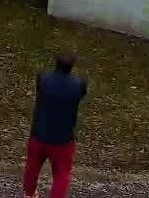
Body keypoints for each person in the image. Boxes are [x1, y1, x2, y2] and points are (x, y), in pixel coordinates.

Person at [24, 51, 87, 198]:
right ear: (72, 66)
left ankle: (29, 194)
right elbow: (81, 94)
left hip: (38, 134)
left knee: (32, 166)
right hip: (63, 139)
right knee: (61, 174)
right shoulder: (79, 85)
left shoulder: (42, 78)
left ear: (56, 63)